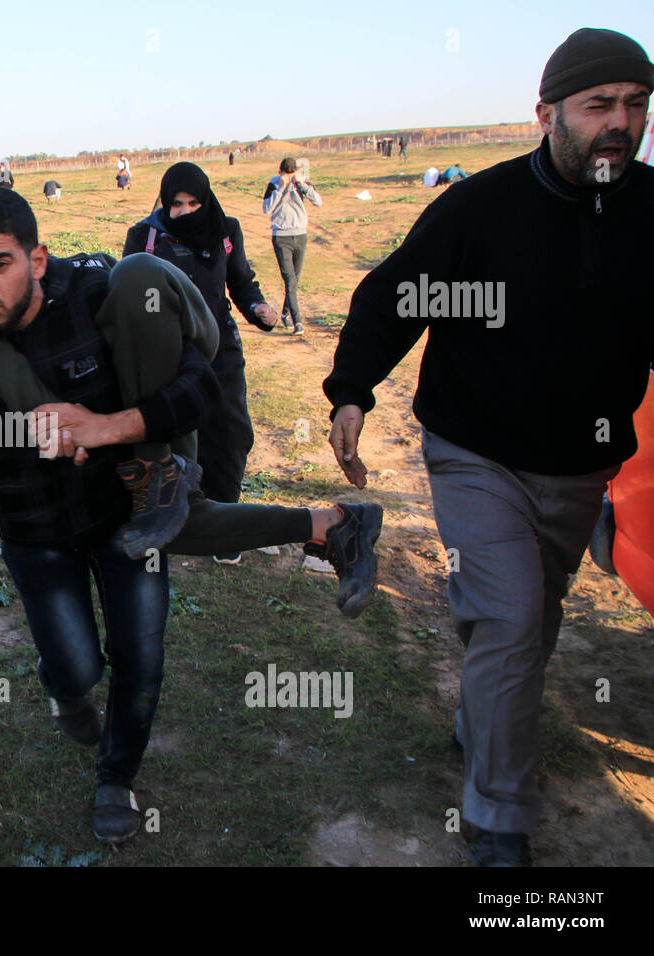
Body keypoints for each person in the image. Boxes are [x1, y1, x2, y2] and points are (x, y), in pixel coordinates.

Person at [0, 189, 381, 844]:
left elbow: (199, 385)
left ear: (36, 257)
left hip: (129, 516)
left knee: (140, 664)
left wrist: (107, 425)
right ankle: (65, 683)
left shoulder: (100, 299)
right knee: (76, 669)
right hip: (36, 533)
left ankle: (116, 775)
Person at [323, 27, 654, 867]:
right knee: (508, 616)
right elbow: (397, 295)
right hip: (475, 451)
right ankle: (499, 822)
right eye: (599, 105)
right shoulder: (483, 207)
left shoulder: (653, 209)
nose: (621, 122)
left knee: (528, 627)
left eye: (636, 104)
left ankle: (483, 723)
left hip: (582, 464)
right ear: (547, 113)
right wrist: (352, 392)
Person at [124, 163, 280, 561]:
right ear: (164, 201)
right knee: (174, 437)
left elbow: (241, 281)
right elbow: (126, 290)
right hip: (167, 354)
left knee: (231, 434)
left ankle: (223, 518)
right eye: (177, 204)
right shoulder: (144, 236)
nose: (187, 211)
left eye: (194, 202)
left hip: (220, 350)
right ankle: (176, 517)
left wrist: (257, 306)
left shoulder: (225, 230)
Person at [262, 156, 322, 334]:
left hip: (300, 235)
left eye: (291, 174)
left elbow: (318, 202)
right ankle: (298, 322)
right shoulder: (274, 184)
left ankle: (285, 314)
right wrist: (280, 187)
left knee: (294, 280)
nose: (288, 176)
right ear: (279, 172)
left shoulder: (301, 182)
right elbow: (266, 208)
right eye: (285, 174)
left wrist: (302, 185)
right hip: (281, 237)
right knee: (290, 280)